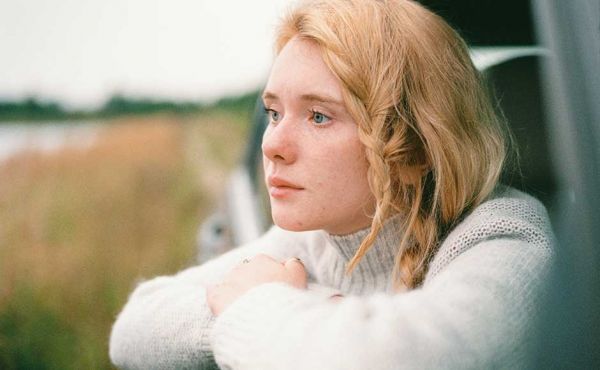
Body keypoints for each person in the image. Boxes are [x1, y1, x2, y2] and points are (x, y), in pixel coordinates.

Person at [109, 0, 554, 369]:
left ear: (415, 146)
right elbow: (135, 326)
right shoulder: (311, 238)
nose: (273, 146)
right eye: (273, 113)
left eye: (319, 116)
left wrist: (265, 303)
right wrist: (271, 302)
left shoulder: (505, 233)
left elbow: (433, 356)